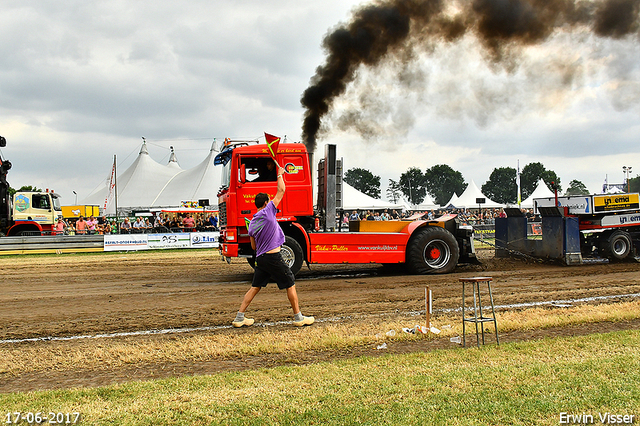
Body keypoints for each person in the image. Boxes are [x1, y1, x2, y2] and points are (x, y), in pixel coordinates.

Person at [232, 166, 314, 328]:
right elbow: (281, 190)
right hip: (273, 257)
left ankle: (239, 318)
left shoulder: (252, 224)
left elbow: (254, 247)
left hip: (261, 259)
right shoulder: (268, 211)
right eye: (269, 201)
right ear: (265, 203)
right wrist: (280, 174)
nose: (271, 202)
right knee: (290, 283)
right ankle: (299, 318)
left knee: (255, 287)